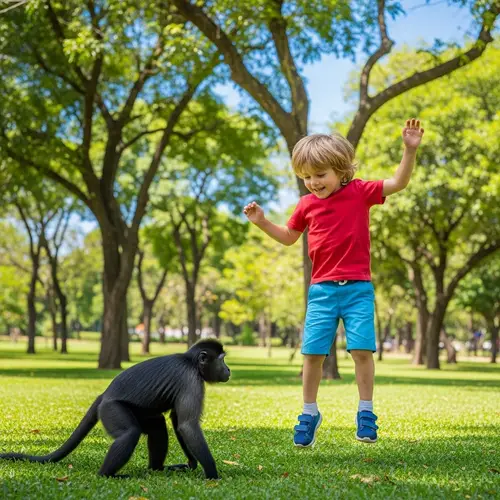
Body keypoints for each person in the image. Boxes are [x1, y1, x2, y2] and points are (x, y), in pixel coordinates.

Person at [243, 119, 424, 447]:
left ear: (341, 171)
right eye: (307, 176)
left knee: (361, 351)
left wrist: (409, 150)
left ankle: (366, 411)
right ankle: (309, 412)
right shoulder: (306, 205)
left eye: (320, 174)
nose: (313, 182)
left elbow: (398, 182)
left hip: (358, 289)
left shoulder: (360, 192)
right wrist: (262, 222)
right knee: (312, 354)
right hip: (322, 290)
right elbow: (288, 238)